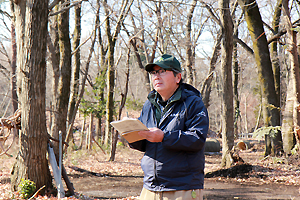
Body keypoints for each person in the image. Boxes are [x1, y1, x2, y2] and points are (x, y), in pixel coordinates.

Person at [129, 54, 209, 200]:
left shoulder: (193, 103)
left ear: (178, 77)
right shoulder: (149, 105)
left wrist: (164, 137)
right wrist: (131, 136)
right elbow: (145, 143)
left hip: (182, 188)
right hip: (150, 187)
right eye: (154, 72)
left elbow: (197, 139)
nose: (156, 76)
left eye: (162, 71)